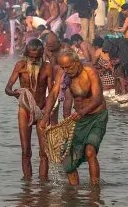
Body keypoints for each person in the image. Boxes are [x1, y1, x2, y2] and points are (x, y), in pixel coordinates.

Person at [40, 49, 108, 186]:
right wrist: (46, 116)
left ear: (76, 62)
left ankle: (95, 191)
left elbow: (98, 98)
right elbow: (53, 94)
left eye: (69, 67)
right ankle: (73, 193)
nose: (67, 70)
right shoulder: (63, 73)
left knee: (90, 151)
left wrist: (82, 112)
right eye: (63, 67)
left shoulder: (89, 71)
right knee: (68, 162)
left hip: (97, 117)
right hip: (78, 120)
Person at [4, 39, 55, 180]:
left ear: (41, 55)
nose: (33, 60)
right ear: (26, 54)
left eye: (36, 57)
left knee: (44, 152)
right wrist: (15, 93)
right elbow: (7, 88)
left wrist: (49, 112)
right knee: (26, 150)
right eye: (31, 57)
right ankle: (27, 185)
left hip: (42, 110)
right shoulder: (20, 65)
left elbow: (52, 92)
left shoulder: (47, 68)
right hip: (24, 110)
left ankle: (43, 184)